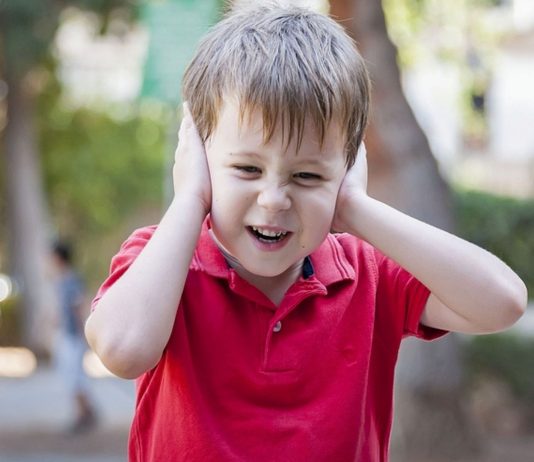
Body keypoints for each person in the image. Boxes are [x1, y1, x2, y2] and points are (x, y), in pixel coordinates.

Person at [85, 3, 527, 461]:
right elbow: (122, 350)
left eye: (307, 177)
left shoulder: (368, 274)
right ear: (197, 157)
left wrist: (356, 208)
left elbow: (502, 303)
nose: (275, 198)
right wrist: (189, 200)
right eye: (247, 168)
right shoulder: (162, 260)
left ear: (347, 169)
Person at [51, 241, 98, 434]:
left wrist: (83, 335)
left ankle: (84, 414)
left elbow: (78, 308)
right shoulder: (60, 280)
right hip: (66, 334)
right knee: (71, 376)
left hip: (73, 336)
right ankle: (85, 412)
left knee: (75, 377)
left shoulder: (71, 280)